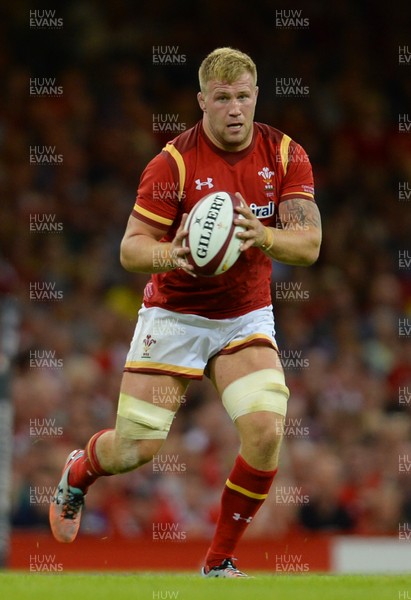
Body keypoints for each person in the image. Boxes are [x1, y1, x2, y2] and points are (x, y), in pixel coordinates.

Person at [49, 47, 322, 577]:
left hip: (244, 316)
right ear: (202, 101)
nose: (235, 109)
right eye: (223, 99)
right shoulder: (172, 163)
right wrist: (170, 254)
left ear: (256, 95)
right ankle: (79, 470)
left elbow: (310, 244)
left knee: (266, 431)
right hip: (174, 315)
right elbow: (130, 249)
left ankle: (218, 561)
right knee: (135, 449)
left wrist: (263, 235)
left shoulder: (286, 155)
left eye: (244, 96)